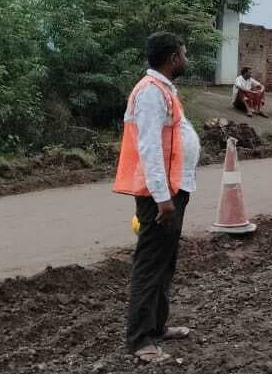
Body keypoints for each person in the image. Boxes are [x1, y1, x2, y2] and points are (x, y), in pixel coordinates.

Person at [114, 32, 202, 364]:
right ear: (173, 58)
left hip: (173, 189)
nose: (186, 58)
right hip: (159, 195)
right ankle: (139, 340)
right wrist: (162, 197)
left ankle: (157, 326)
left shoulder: (163, 90)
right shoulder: (151, 93)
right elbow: (148, 147)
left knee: (165, 263)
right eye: (184, 53)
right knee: (150, 265)